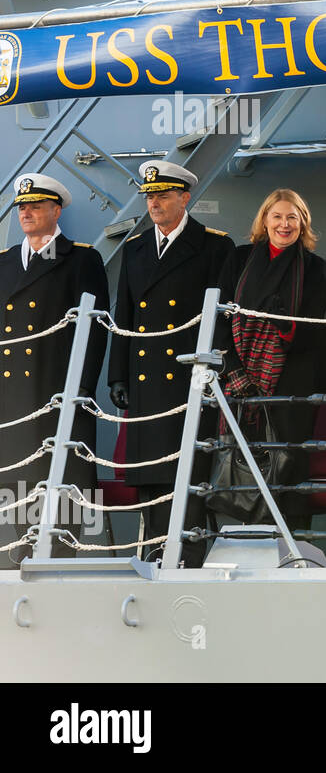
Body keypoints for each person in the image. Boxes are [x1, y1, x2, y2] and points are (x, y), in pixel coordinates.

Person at [107, 161, 234, 566]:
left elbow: (222, 318)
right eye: (150, 196)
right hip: (146, 385)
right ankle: (155, 553)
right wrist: (118, 375)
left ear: (185, 197)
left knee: (188, 472)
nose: (154, 203)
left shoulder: (215, 246)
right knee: (150, 475)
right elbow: (123, 316)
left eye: (163, 195)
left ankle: (188, 558)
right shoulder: (135, 248)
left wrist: (213, 371)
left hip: (188, 381)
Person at [0, 173, 109, 567]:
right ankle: (22, 555)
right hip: (12, 398)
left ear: (56, 210)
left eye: (35, 206)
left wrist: (78, 393)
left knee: (63, 478)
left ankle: (61, 558)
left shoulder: (81, 259)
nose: (26, 213)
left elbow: (95, 332)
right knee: (15, 478)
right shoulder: (5, 262)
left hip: (55, 394)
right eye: (22, 207)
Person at [215, 189, 326, 533]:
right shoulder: (238, 260)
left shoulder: (316, 268)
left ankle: (292, 546)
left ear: (303, 223)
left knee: (291, 468)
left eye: (292, 218)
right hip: (240, 382)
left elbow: (319, 330)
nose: (284, 224)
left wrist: (286, 329)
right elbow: (219, 317)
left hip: (292, 384)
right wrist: (233, 371)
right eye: (278, 217)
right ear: (264, 221)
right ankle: (247, 539)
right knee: (244, 463)